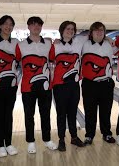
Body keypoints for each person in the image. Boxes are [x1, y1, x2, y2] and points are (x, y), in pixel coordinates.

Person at [15, 16, 57, 153]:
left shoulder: (48, 44)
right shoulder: (20, 45)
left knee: (45, 114)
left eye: (38, 24)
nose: (36, 27)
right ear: (28, 27)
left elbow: (53, 61)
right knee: (29, 115)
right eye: (33, 24)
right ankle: (30, 141)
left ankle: (47, 139)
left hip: (45, 86)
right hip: (28, 87)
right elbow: (14, 63)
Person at [49, 21, 86, 151]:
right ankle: (61, 139)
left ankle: (74, 137)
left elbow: (95, 35)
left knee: (72, 112)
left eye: (72, 29)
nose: (70, 31)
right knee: (61, 114)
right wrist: (50, 41)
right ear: (62, 30)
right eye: (67, 29)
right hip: (59, 85)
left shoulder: (79, 43)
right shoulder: (55, 46)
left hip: (74, 85)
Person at [81, 21, 117, 146]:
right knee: (89, 111)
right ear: (91, 33)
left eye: (101, 30)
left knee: (106, 111)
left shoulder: (110, 45)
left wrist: (109, 38)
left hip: (106, 84)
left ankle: (106, 133)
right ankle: (89, 135)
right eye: (96, 30)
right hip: (89, 84)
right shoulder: (84, 44)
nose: (99, 32)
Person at [0, 15, 19, 157]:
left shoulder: (16, 42)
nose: (8, 26)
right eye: (6, 24)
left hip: (12, 85)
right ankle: (0, 145)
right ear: (0, 26)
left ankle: (9, 143)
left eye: (11, 24)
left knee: (8, 116)